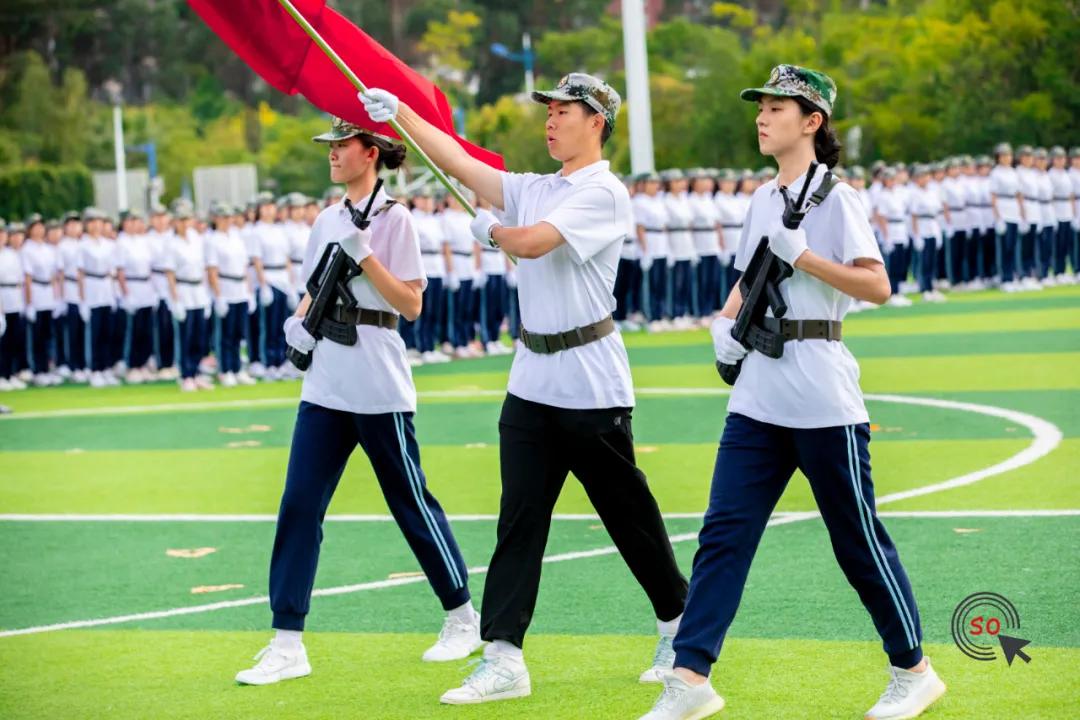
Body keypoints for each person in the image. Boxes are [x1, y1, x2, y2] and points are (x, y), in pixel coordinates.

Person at [361, 72, 689, 704]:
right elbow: (455, 160)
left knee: (628, 516)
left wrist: (491, 234)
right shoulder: (535, 186)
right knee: (519, 520)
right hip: (532, 379)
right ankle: (504, 656)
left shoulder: (603, 191)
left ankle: (678, 624)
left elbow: (534, 244)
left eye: (564, 110)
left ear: (596, 121)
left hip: (590, 379)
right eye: (549, 110)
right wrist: (400, 112)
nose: (551, 119)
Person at [639, 65, 944, 720]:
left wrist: (804, 256)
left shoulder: (838, 197)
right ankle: (690, 678)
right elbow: (750, 281)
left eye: (778, 106)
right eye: (762, 105)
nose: (763, 115)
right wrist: (724, 324)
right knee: (723, 533)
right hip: (759, 389)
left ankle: (913, 668)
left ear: (813, 122)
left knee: (855, 538)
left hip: (820, 386)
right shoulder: (758, 199)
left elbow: (876, 286)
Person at [235, 116, 480, 686]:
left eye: (342, 146)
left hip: (376, 377)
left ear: (370, 153)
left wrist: (365, 254)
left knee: (409, 501)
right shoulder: (324, 219)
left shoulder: (396, 220)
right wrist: (297, 325)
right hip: (326, 380)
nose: (332, 154)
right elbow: (313, 290)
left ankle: (462, 616)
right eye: (330, 147)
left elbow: (412, 306)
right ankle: (287, 640)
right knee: (299, 505)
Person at [206, 202, 256, 387]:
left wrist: (249, 292)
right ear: (216, 219)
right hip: (225, 287)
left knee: (237, 333)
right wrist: (218, 296)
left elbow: (244, 267)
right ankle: (225, 369)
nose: (227, 221)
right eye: (223, 217)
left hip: (240, 288)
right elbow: (212, 270)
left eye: (229, 217)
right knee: (225, 333)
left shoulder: (236, 237)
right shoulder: (213, 240)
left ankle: (237, 368)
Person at [20, 214, 63, 386]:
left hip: (48, 293)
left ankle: (47, 368)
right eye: (35, 226)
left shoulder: (48, 249)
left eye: (41, 226)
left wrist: (56, 297)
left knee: (48, 334)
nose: (39, 229)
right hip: (36, 291)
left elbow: (54, 275)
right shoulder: (27, 249)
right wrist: (29, 303)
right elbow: (28, 278)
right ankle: (37, 369)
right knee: (36, 335)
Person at [116, 211, 157, 383]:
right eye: (130, 221)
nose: (134, 225)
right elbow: (120, 271)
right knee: (134, 329)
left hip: (146, 286)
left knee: (146, 329)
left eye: (136, 221)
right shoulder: (121, 242)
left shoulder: (144, 241)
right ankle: (132, 364)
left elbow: (151, 266)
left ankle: (143, 363)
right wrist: (126, 293)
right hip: (132, 286)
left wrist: (154, 290)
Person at [990, 143, 1023, 291]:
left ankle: (1013, 275)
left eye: (1008, 155)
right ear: (998, 158)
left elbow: (1019, 194)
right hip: (1003, 209)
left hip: (1013, 210)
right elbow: (993, 196)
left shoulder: (1013, 172)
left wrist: (1022, 215)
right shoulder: (995, 173)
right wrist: (998, 218)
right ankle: (1005, 278)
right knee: (1004, 246)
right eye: (1003, 156)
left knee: (1013, 246)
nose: (1006, 158)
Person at [0, 221, 29, 391]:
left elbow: (19, 279)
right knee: (2, 343)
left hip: (14, 299)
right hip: (1, 296)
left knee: (13, 339)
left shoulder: (12, 254)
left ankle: (11, 373)